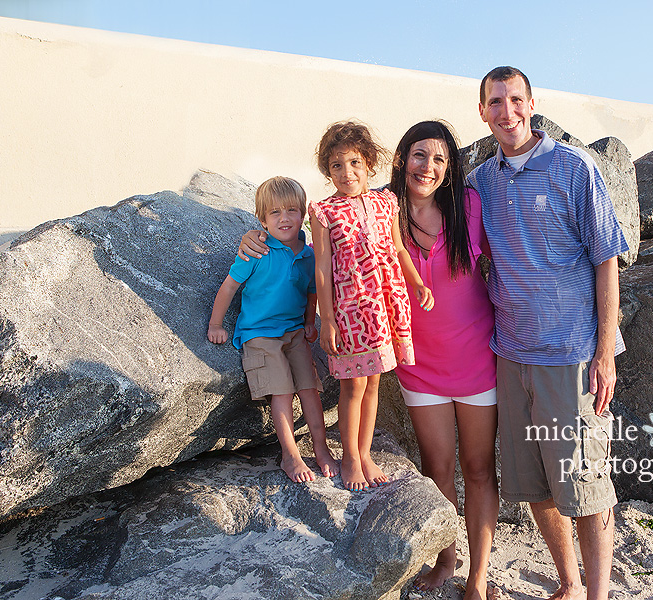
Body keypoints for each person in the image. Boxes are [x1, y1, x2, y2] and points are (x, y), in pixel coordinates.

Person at [468, 66, 629, 600]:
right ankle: (567, 582)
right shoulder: (480, 182)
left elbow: (608, 259)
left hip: (572, 355)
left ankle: (598, 594)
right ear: (483, 110)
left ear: (532, 103)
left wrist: (605, 355)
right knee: (534, 481)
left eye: (516, 99)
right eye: (495, 101)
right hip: (510, 356)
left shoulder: (573, 166)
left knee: (586, 486)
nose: (506, 111)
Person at [390, 121, 499, 600]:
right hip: (418, 365)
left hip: (477, 358)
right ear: (401, 159)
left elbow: (514, 251)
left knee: (477, 468)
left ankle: (478, 576)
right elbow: (321, 226)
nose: (427, 167)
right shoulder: (382, 210)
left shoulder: (470, 207)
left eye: (438, 159)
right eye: (419, 155)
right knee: (437, 467)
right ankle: (446, 561)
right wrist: (259, 234)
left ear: (450, 167)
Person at [309, 121, 433, 492]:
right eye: (336, 166)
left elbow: (398, 247)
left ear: (369, 164)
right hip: (350, 310)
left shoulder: (386, 201)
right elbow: (322, 268)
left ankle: (364, 453)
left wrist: (417, 282)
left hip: (383, 306)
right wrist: (327, 319)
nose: (346, 173)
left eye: (354, 163)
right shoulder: (323, 212)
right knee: (353, 385)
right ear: (327, 170)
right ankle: (349, 455)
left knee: (374, 381)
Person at [207, 176, 338, 483]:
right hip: (260, 333)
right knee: (281, 390)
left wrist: (309, 322)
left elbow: (311, 291)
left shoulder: (308, 256)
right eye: (275, 213)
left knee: (309, 387)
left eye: (291, 210)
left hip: (293, 332)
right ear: (262, 219)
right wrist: (216, 324)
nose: (284, 218)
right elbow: (229, 287)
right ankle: (290, 456)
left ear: (303, 214)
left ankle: (321, 448)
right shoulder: (257, 251)